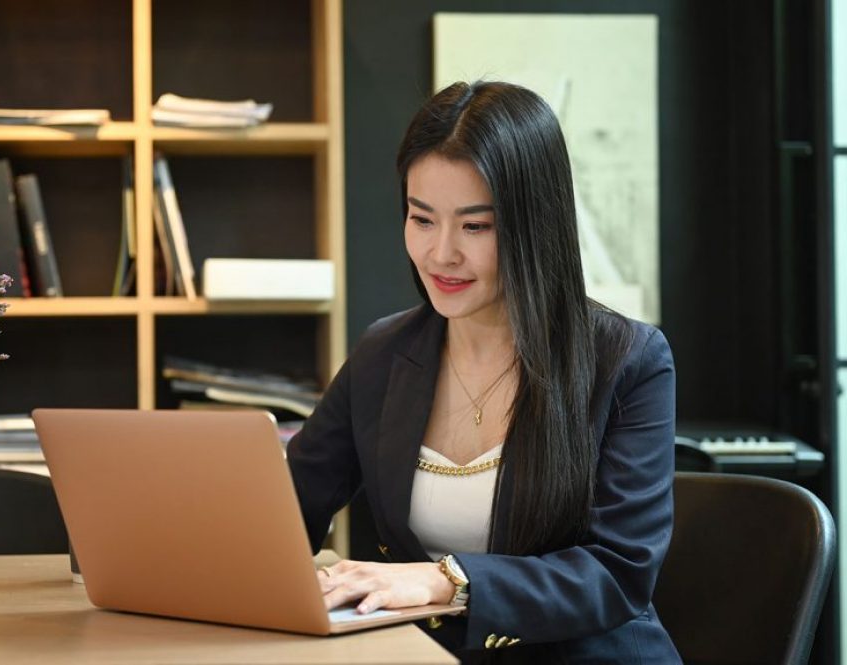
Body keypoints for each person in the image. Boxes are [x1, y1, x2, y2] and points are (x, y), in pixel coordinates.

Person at [286, 80, 680, 663]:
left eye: (476, 226)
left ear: (534, 226)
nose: (441, 253)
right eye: (422, 219)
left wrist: (444, 581)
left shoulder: (626, 359)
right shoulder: (384, 353)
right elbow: (288, 511)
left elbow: (617, 573)